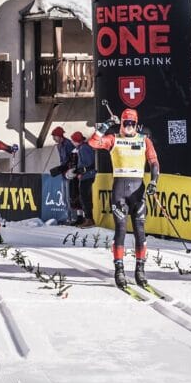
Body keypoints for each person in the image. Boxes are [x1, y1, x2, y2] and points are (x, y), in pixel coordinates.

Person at [88, 108, 159, 288]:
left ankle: (140, 270)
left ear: (136, 124)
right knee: (120, 230)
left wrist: (153, 182)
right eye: (125, 122)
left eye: (132, 123)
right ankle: (119, 271)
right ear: (121, 123)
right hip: (120, 192)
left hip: (138, 192)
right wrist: (105, 125)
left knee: (140, 231)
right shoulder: (114, 139)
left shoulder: (144, 140)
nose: (128, 126)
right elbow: (93, 143)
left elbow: (154, 162)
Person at [68, 131, 96, 228]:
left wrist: (79, 171)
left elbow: (88, 164)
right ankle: (88, 218)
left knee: (85, 198)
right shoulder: (83, 147)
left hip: (87, 177)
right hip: (86, 176)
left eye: (72, 140)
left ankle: (89, 219)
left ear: (76, 141)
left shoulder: (84, 148)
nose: (72, 142)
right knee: (84, 198)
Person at [48, 125, 75, 216]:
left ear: (59, 136)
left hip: (69, 172)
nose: (53, 139)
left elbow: (72, 158)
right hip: (63, 172)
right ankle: (68, 216)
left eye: (54, 137)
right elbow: (62, 160)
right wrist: (60, 168)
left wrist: (66, 168)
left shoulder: (68, 144)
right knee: (64, 197)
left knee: (69, 196)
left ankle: (72, 216)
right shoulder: (59, 145)